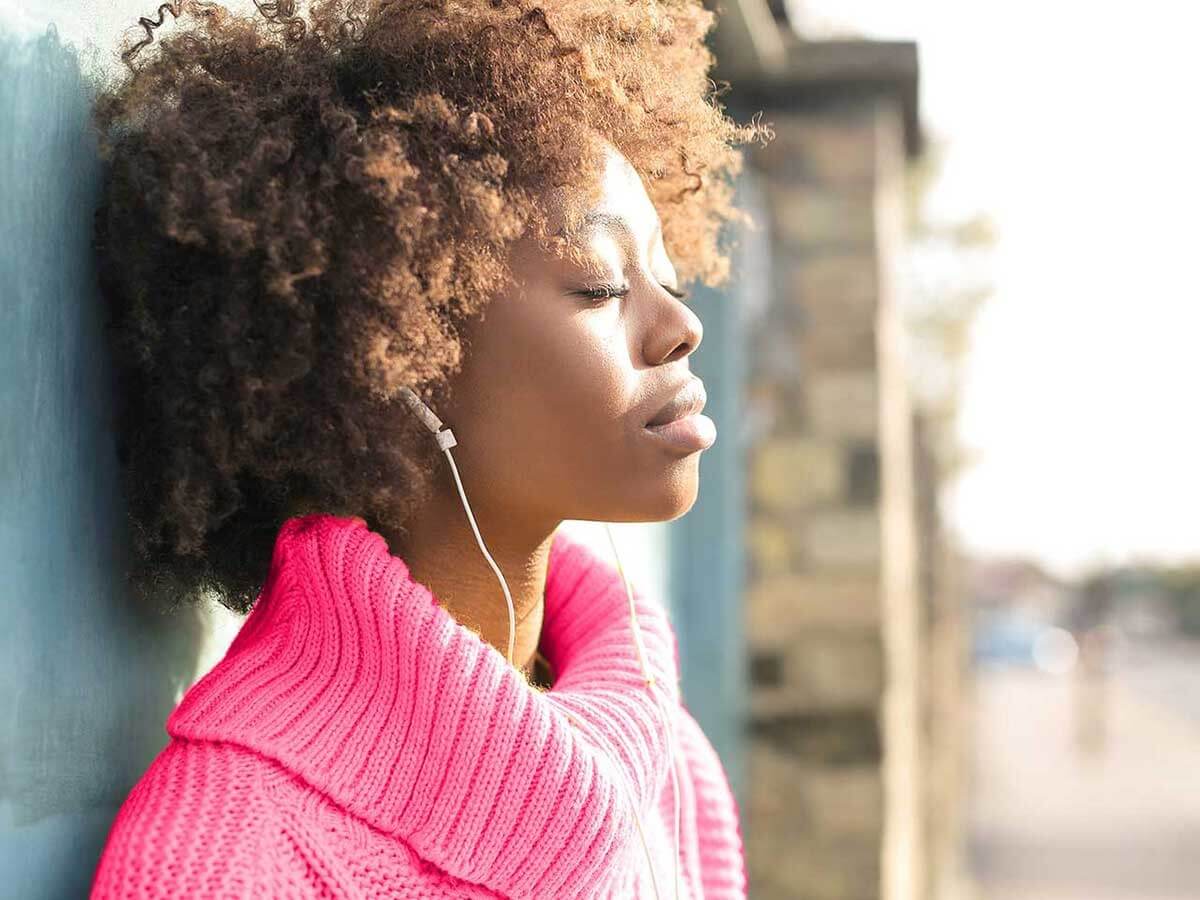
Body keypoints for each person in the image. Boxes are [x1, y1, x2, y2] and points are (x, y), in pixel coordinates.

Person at [87, 0, 771, 896]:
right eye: (600, 284)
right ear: (393, 353)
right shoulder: (228, 855)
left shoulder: (665, 750)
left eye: (668, 277)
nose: (680, 326)